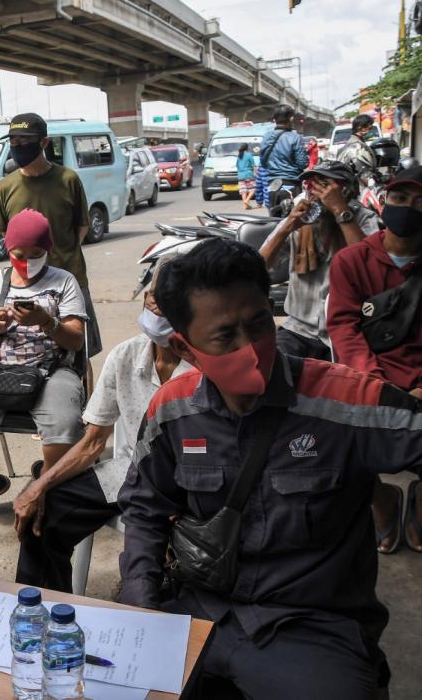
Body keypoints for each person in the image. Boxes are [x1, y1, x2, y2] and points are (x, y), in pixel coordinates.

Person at [119, 238, 422, 697]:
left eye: (259, 324)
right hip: (198, 613)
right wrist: (142, 602)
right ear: (186, 347)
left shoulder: (346, 402)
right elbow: (143, 508)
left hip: (313, 629)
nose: (252, 348)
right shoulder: (172, 411)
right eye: (225, 336)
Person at [12, 255, 190, 592]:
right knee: (42, 517)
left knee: (159, 573)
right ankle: (44, 616)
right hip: (129, 473)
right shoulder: (125, 356)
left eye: (169, 299)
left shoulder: (205, 367)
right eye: (153, 295)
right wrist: (39, 486)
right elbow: (94, 441)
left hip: (188, 484)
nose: (157, 305)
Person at [328, 165, 422, 555]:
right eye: (400, 199)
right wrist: (375, 382)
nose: (407, 208)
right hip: (370, 381)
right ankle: (382, 502)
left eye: (420, 202)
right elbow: (344, 329)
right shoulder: (351, 262)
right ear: (384, 202)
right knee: (333, 445)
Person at [0, 209, 86, 473]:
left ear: (48, 250)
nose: (27, 262)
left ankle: (49, 483)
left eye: (36, 255)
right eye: (19, 255)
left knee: (65, 422)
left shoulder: (64, 282)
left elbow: (75, 340)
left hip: (51, 372)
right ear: (8, 250)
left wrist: (47, 322)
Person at [0, 112, 103, 364]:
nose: (18, 147)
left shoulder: (68, 179)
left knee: (79, 352)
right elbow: (6, 234)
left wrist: (61, 259)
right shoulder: (6, 186)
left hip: (71, 279)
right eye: (13, 141)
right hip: (26, 285)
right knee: (30, 354)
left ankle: (86, 401)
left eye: (25, 141)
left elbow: (81, 227)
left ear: (43, 143)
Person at [259, 160, 379, 360]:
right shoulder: (299, 220)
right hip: (299, 330)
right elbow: (258, 267)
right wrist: (288, 225)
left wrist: (340, 210)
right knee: (271, 370)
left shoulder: (364, 219)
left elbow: (367, 268)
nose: (314, 190)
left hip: (349, 330)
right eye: (311, 184)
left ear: (345, 189)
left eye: (324, 185)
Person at [260, 105, 309, 215]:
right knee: (293, 225)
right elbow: (302, 163)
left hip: (272, 187)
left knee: (276, 225)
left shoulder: (266, 137)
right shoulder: (294, 137)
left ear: (274, 120)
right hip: (291, 186)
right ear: (291, 118)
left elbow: (263, 163)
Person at [337, 114, 377, 184]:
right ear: (360, 127)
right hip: (358, 187)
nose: (370, 131)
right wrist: (372, 187)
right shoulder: (357, 147)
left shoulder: (351, 144)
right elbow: (364, 173)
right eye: (369, 128)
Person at [235, 143, 256, 209]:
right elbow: (254, 165)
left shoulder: (239, 156)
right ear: (247, 148)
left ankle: (245, 206)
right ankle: (247, 200)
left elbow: (237, 166)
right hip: (248, 175)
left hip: (240, 176)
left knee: (243, 190)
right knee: (253, 189)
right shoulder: (249, 155)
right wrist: (256, 173)